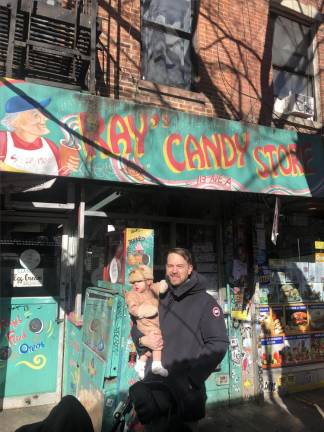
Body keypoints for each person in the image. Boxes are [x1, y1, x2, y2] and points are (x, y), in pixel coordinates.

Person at [131, 247, 229, 431]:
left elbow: (219, 343)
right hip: (155, 392)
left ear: (190, 268)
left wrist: (192, 380)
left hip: (186, 396)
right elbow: (137, 326)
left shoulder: (205, 302)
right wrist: (142, 341)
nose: (174, 270)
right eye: (170, 266)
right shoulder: (158, 296)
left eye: (180, 266)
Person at [0, 95, 79, 175]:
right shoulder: (2, 140)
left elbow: (56, 175)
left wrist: (67, 168)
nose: (45, 118)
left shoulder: (50, 146)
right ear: (14, 122)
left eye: (43, 113)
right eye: (35, 115)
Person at [125, 266, 169, 379]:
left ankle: (140, 364)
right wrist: (142, 310)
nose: (135, 284)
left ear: (148, 281)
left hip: (154, 322)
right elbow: (132, 308)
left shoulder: (151, 289)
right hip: (145, 323)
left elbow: (158, 286)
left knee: (150, 350)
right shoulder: (133, 294)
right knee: (156, 339)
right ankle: (157, 366)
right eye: (133, 282)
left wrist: (163, 285)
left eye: (139, 281)